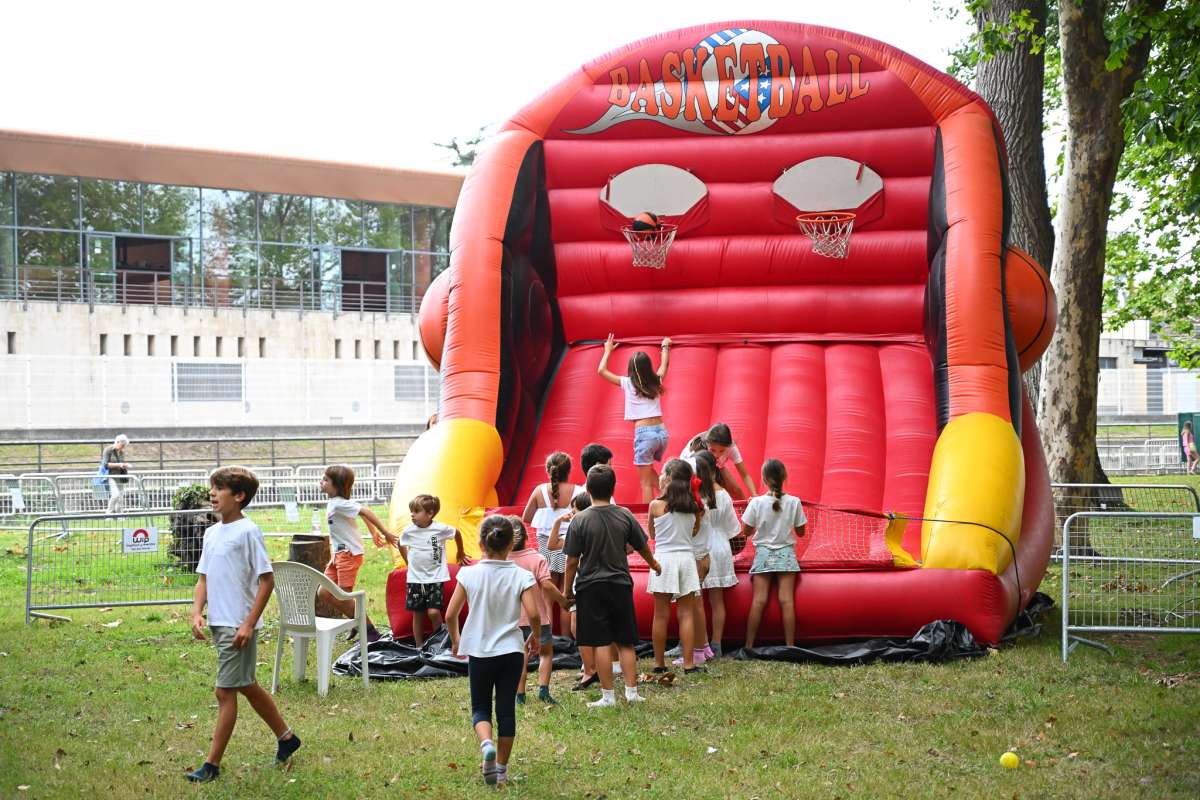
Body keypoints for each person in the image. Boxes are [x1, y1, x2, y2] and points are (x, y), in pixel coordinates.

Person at [186, 466, 300, 783]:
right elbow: (203, 578)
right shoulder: (212, 533)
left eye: (219, 488)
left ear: (239, 496)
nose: (212, 493)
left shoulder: (248, 532)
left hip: (238, 625)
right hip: (220, 623)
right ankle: (287, 737)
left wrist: (249, 623)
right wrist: (197, 611)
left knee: (225, 691)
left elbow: (266, 581)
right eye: (212, 487)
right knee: (246, 684)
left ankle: (211, 765)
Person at [446, 515, 541, 787]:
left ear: (480, 543)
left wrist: (455, 639)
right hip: (511, 651)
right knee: (506, 710)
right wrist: (534, 635)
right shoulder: (521, 575)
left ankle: (486, 743)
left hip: (479, 651)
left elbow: (451, 614)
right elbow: (533, 613)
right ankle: (500, 770)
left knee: (480, 707)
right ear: (512, 544)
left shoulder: (468, 573)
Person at [563, 464, 661, 707]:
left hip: (590, 586)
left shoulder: (579, 520)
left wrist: (567, 591)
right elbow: (642, 546)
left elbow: (572, 560)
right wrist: (654, 564)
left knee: (600, 643)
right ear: (613, 487)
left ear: (588, 489)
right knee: (625, 641)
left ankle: (608, 696)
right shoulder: (624, 514)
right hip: (620, 583)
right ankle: (632, 692)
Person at [318, 465, 399, 644]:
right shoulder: (335, 502)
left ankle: (369, 631)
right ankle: (356, 623)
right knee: (324, 592)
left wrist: (384, 531)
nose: (321, 482)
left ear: (337, 486)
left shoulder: (339, 503)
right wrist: (372, 532)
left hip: (348, 555)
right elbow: (361, 512)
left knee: (343, 595)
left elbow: (366, 511)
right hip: (338, 555)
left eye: (325, 480)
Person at [597, 333, 673, 502]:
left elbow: (601, 371)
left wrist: (608, 350)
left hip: (645, 434)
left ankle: (648, 520)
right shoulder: (656, 380)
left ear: (631, 369)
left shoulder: (627, 383)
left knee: (645, 482)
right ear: (648, 368)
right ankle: (674, 494)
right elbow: (664, 363)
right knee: (649, 474)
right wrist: (665, 345)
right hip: (661, 433)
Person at [646, 459, 705, 673]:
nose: (660, 477)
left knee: (660, 614)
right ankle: (689, 663)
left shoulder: (656, 505)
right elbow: (695, 531)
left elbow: (652, 534)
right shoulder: (694, 506)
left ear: (669, 478)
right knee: (686, 613)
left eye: (663, 473)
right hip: (686, 559)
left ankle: (659, 663)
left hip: (663, 560)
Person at [741, 459, 807, 650]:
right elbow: (801, 532)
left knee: (759, 600)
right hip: (786, 554)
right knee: (787, 601)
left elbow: (746, 531)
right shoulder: (794, 502)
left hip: (763, 554)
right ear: (784, 477)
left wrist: (751, 506)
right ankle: (790, 645)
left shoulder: (757, 503)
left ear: (763, 479)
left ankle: (748, 645)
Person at [507, 516, 566, 706]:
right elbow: (547, 586)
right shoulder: (537, 558)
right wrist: (562, 600)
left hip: (513, 619)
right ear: (526, 536)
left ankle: (520, 694)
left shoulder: (504, 560)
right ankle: (543, 690)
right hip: (538, 618)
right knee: (546, 653)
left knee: (519, 656)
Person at [521, 451, 582, 630]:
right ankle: (565, 637)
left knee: (547, 592)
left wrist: (546, 516)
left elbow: (527, 516)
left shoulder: (540, 490)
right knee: (566, 591)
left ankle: (549, 637)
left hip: (546, 543)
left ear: (549, 470)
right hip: (568, 542)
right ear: (569, 471)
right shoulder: (578, 491)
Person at [398, 494, 468, 646]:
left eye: (416, 511)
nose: (412, 515)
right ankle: (419, 647)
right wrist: (407, 561)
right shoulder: (409, 531)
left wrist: (460, 552)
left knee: (433, 612)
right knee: (418, 614)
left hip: (435, 578)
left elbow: (456, 533)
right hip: (416, 579)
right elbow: (400, 543)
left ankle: (439, 643)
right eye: (411, 511)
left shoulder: (440, 528)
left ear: (429, 513)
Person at [547, 493, 598, 687]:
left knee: (579, 627)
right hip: (592, 580)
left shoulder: (580, 530)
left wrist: (567, 590)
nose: (571, 513)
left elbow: (569, 559)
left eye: (574, 509)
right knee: (582, 626)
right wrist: (559, 521)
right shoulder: (582, 529)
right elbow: (553, 545)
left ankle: (589, 668)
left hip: (583, 581)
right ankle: (590, 665)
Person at [693, 450, 740, 658]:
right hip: (721, 548)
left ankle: (694, 641)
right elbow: (734, 530)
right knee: (716, 600)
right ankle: (717, 643)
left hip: (700, 548)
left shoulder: (695, 495)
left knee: (693, 599)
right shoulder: (724, 495)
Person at [682, 423, 757, 500]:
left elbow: (745, 475)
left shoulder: (731, 447)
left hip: (717, 465)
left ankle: (744, 510)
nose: (716, 455)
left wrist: (754, 495)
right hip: (692, 470)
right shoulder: (696, 452)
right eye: (712, 450)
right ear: (707, 444)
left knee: (736, 490)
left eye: (722, 451)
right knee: (708, 492)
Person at [101, 434, 132, 513]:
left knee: (120, 497)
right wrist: (119, 465)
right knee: (115, 495)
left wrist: (124, 465)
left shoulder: (121, 452)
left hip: (120, 476)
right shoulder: (108, 450)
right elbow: (105, 464)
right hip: (111, 476)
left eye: (124, 446)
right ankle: (108, 514)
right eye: (122, 445)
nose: (123, 447)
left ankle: (120, 515)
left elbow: (121, 463)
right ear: (117, 442)